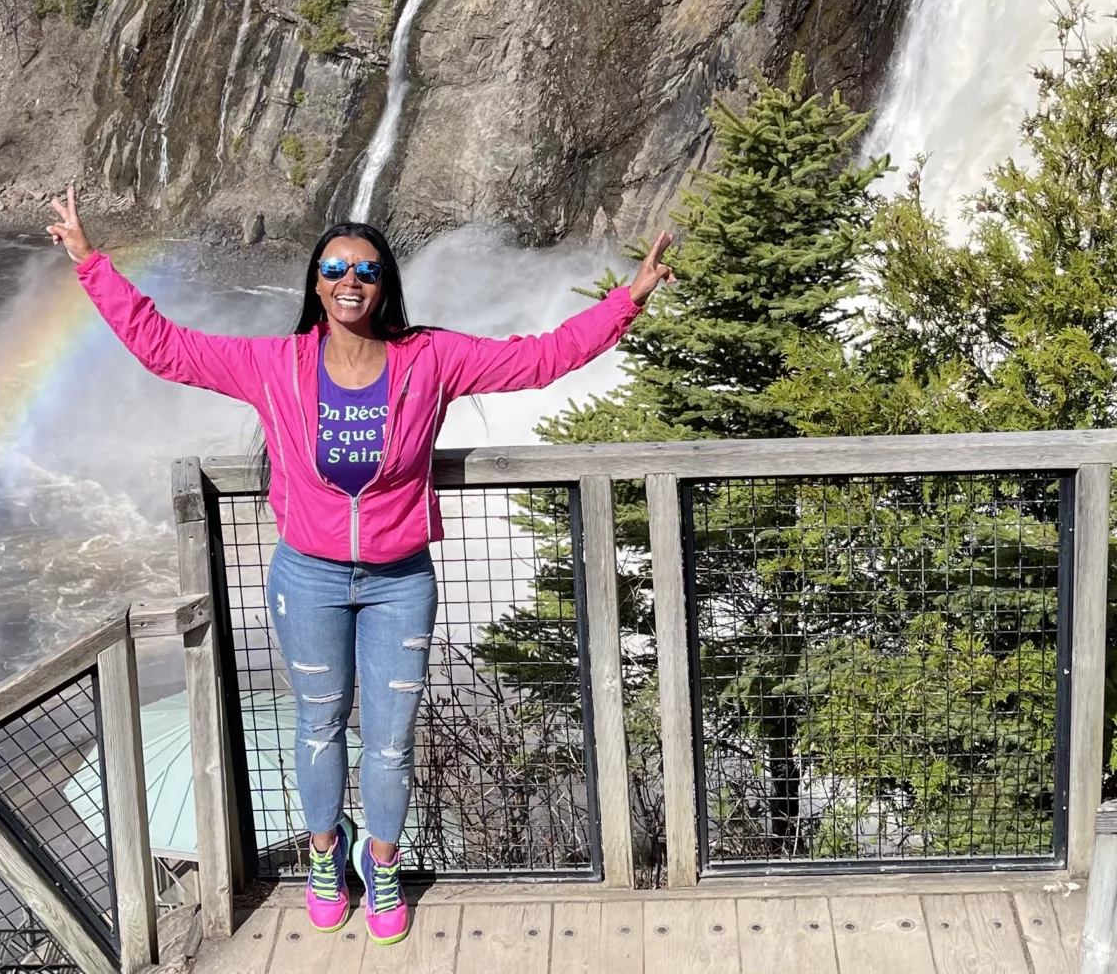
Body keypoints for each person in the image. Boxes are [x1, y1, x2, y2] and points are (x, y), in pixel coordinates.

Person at [46, 188, 672, 945]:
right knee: (318, 728)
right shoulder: (274, 363)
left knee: (391, 737)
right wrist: (90, 262)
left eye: (366, 270)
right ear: (315, 282)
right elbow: (164, 347)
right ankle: (323, 853)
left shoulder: (428, 358)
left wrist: (627, 301)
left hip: (399, 580)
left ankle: (381, 863)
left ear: (383, 285)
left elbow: (537, 362)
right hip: (307, 577)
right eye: (336, 267)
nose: (351, 280)